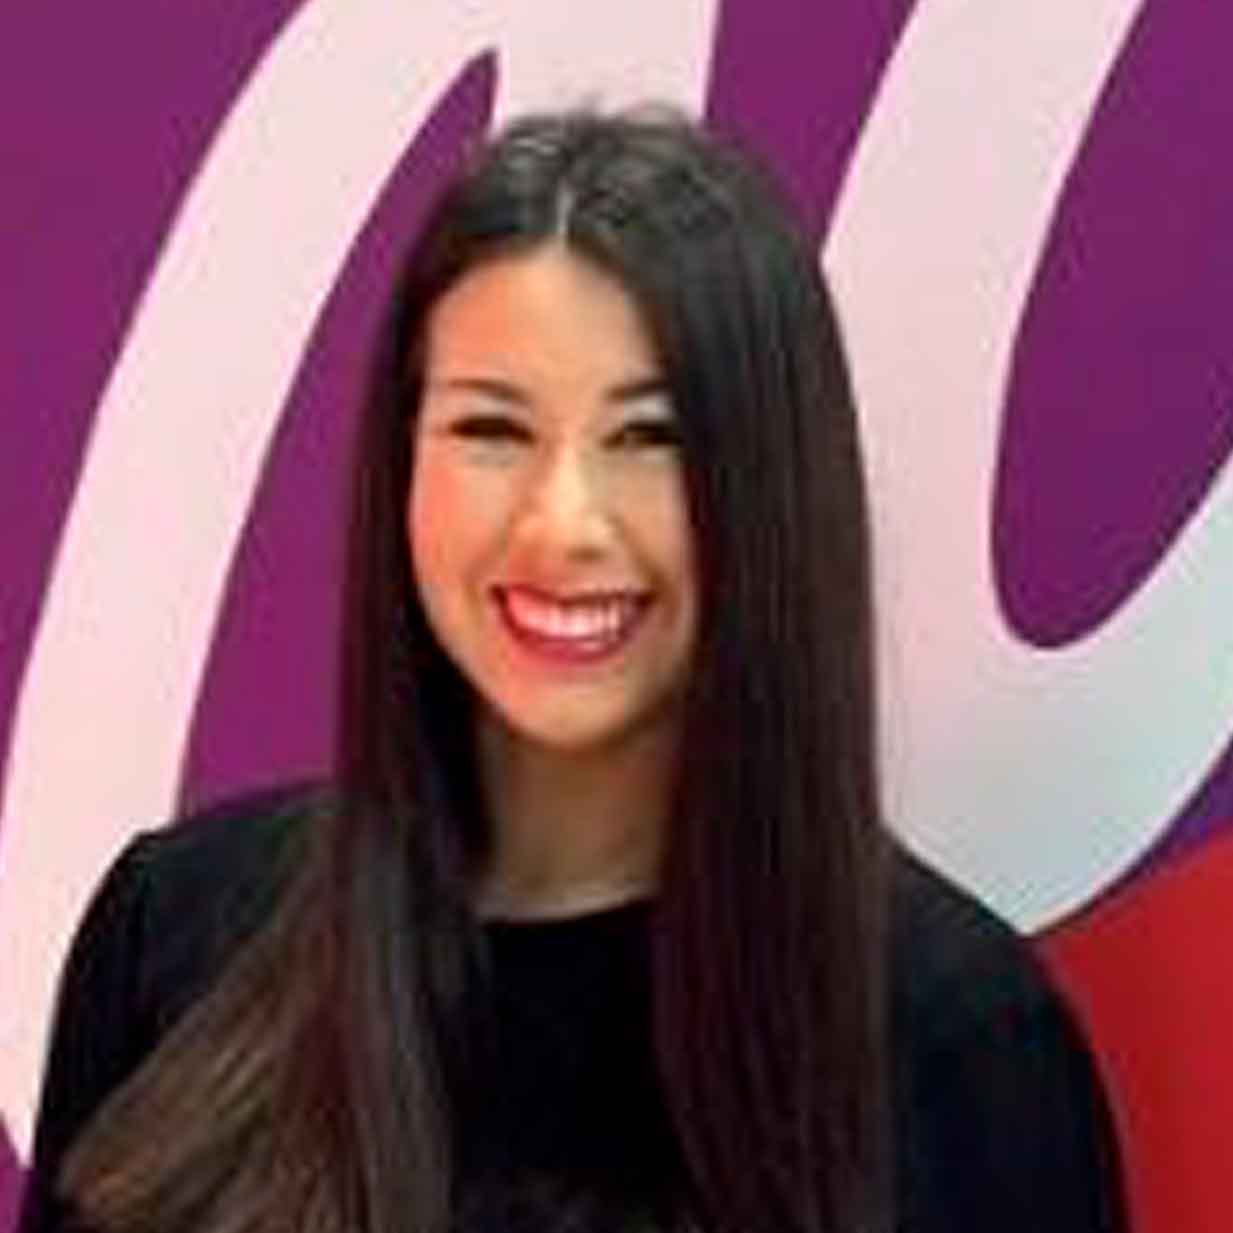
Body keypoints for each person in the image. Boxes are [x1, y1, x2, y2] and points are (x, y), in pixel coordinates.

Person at [19, 107, 1126, 1233]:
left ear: (774, 485)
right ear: (401, 462)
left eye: (649, 438)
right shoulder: (172, 938)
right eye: (491, 430)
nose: (563, 523)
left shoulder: (960, 1046)